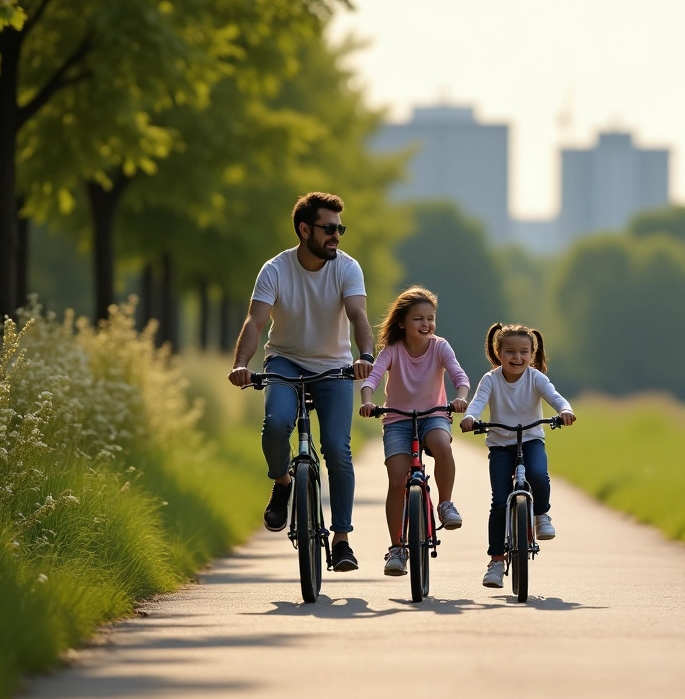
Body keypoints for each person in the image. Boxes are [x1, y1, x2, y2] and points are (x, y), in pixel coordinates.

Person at [228, 191, 374, 573]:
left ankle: (342, 540)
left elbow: (358, 316)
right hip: (285, 361)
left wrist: (365, 357)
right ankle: (282, 481)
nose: (336, 236)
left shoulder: (347, 268)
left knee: (337, 450)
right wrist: (241, 364)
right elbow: (255, 322)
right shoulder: (275, 270)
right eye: (329, 229)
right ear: (304, 229)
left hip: (334, 366)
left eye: (340, 229)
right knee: (276, 424)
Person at [358, 286, 470, 577]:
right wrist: (368, 402)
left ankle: (445, 503)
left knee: (442, 446)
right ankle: (397, 548)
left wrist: (460, 397)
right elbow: (372, 378)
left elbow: (460, 376)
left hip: (433, 416)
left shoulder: (440, 346)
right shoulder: (392, 351)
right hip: (396, 420)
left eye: (430, 318)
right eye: (418, 318)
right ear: (402, 323)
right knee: (397, 480)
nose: (426, 324)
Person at [460, 322, 575, 589]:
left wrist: (566, 410)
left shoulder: (536, 378)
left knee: (538, 475)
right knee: (499, 501)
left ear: (532, 354)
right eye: (510, 351)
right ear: (498, 352)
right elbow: (477, 402)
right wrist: (470, 417)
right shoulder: (491, 379)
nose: (517, 357)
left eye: (524, 352)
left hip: (531, 439)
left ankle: (541, 515)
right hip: (501, 444)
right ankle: (496, 562)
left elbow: (555, 397)